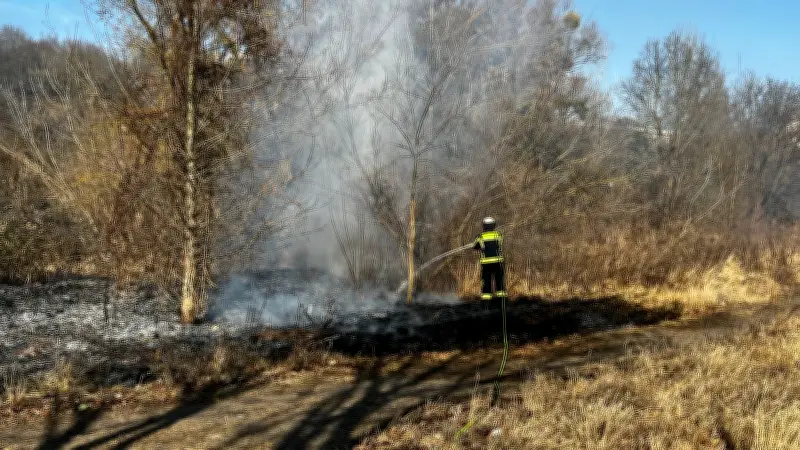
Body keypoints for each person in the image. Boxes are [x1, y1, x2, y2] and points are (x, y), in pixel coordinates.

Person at [473, 217, 507, 302]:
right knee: (499, 279)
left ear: (484, 226)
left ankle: (486, 300)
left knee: (486, 281)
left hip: (486, 263)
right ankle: (502, 299)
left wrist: (479, 244)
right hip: (498, 262)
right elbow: (499, 242)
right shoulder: (498, 235)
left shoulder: (480, 237)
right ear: (493, 225)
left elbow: (475, 247)